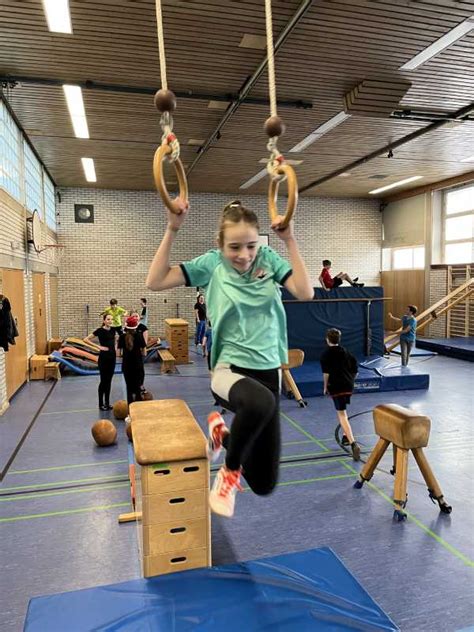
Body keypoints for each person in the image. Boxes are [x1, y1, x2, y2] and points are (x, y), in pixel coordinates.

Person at [146, 199, 313, 518]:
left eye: (251, 246)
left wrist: (290, 239)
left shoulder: (269, 259)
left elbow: (305, 292)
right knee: (259, 404)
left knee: (264, 483)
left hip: (268, 373)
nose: (244, 255)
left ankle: (222, 434)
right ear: (219, 244)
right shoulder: (211, 265)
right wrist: (172, 227)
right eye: (235, 247)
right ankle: (228, 473)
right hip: (229, 372)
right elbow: (155, 282)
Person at [320, 328, 361, 461]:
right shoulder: (346, 352)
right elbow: (355, 369)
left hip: (336, 386)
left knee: (341, 414)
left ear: (327, 339)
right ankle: (345, 436)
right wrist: (351, 381)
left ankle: (353, 443)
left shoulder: (325, 355)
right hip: (348, 385)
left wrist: (325, 387)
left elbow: (326, 374)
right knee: (344, 411)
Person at [84, 314, 117, 411]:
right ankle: (100, 403)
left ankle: (107, 402)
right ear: (104, 320)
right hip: (103, 358)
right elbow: (86, 339)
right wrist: (98, 347)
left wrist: (115, 346)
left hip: (112, 357)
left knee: (109, 381)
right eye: (108, 319)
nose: (110, 321)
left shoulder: (113, 330)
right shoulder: (99, 331)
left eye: (111, 319)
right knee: (103, 381)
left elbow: (114, 340)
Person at [118, 315, 146, 405]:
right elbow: (144, 352)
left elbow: (118, 353)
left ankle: (130, 409)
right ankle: (139, 408)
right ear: (135, 326)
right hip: (137, 364)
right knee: (138, 388)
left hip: (126, 365)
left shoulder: (122, 337)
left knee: (129, 388)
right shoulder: (139, 336)